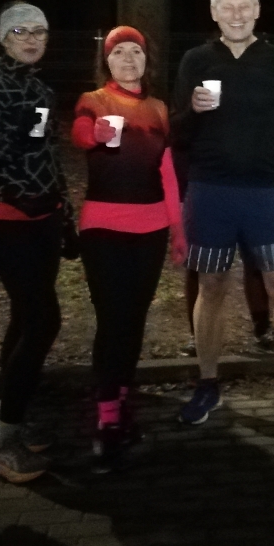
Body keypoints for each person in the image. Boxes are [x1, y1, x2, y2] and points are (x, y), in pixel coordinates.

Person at [170, 0, 274, 425]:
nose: (236, 15)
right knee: (211, 286)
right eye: (227, 7)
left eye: (244, 6)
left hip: (266, 193)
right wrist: (192, 110)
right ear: (214, 13)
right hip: (210, 192)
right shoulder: (196, 60)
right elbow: (176, 131)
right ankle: (207, 384)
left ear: (257, 10)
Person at [72, 26, 186, 471]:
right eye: (119, 51)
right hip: (103, 227)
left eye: (135, 51)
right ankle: (105, 420)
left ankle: (121, 403)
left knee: (134, 319)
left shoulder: (158, 109)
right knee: (112, 321)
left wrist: (178, 230)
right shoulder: (94, 100)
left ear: (146, 61)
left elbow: (168, 174)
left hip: (151, 228)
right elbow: (79, 133)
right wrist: (96, 134)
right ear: (107, 60)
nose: (128, 58)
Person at [0, 2, 68, 483]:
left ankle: (8, 418)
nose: (31, 39)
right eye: (21, 32)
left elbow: (48, 154)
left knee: (25, 319)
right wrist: (22, 134)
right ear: (4, 39)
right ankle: (1, 446)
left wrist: (65, 215)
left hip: (44, 217)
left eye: (39, 32)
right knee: (45, 319)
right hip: (4, 217)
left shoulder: (42, 89)